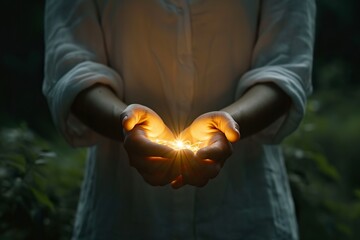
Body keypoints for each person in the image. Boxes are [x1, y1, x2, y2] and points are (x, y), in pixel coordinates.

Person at [43, 0, 316, 239]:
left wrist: (232, 123)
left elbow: (286, 66)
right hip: (123, 215)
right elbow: (71, 67)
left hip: (245, 214)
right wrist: (123, 122)